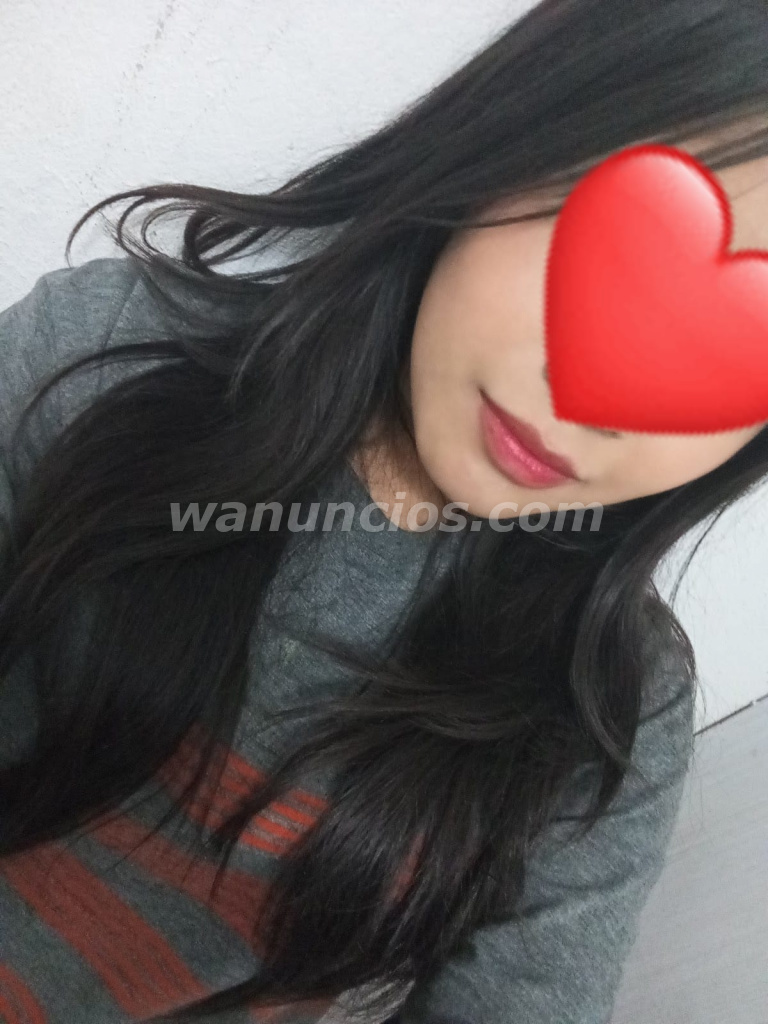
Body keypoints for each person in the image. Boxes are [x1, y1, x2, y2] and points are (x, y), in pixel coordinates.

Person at [1, 1, 768, 1022]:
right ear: (504, 144)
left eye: (733, 354)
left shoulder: (607, 720)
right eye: (613, 259)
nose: (596, 400)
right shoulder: (101, 364)